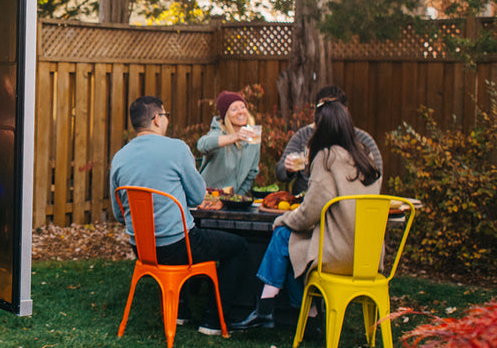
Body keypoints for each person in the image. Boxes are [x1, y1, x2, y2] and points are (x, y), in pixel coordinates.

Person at [231, 98, 382, 330]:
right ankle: (307, 315)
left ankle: (268, 308)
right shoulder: (365, 157)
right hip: (368, 255)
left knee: (284, 234)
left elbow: (308, 215)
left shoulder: (328, 158)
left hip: (338, 255)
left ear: (323, 128)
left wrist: (282, 218)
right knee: (293, 243)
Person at [109, 96, 249, 335]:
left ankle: (181, 311)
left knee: (186, 232)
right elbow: (196, 198)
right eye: (165, 115)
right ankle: (214, 321)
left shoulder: (119, 157)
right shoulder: (176, 148)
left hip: (142, 250)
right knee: (238, 247)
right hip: (178, 247)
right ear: (156, 119)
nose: (165, 120)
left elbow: (118, 213)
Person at [276, 85, 382, 195]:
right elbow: (280, 171)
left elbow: (376, 176)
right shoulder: (303, 136)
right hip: (303, 200)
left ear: (345, 112)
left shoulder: (363, 142)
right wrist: (288, 170)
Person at [196, 90, 261, 196]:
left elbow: (252, 172)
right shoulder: (218, 133)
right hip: (208, 197)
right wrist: (234, 137)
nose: (240, 112)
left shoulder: (253, 136)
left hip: (233, 199)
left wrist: (238, 196)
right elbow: (202, 145)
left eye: (243, 107)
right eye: (234, 109)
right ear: (226, 115)